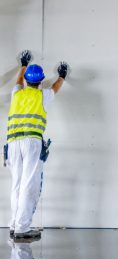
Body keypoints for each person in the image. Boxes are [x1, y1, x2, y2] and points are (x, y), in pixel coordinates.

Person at [6, 50, 69, 239]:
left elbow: (18, 81)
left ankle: (14, 224)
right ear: (41, 81)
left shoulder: (16, 93)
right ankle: (22, 228)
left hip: (12, 142)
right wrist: (62, 75)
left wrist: (23, 64)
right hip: (31, 142)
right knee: (28, 184)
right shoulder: (43, 96)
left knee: (16, 184)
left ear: (25, 80)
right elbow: (56, 87)